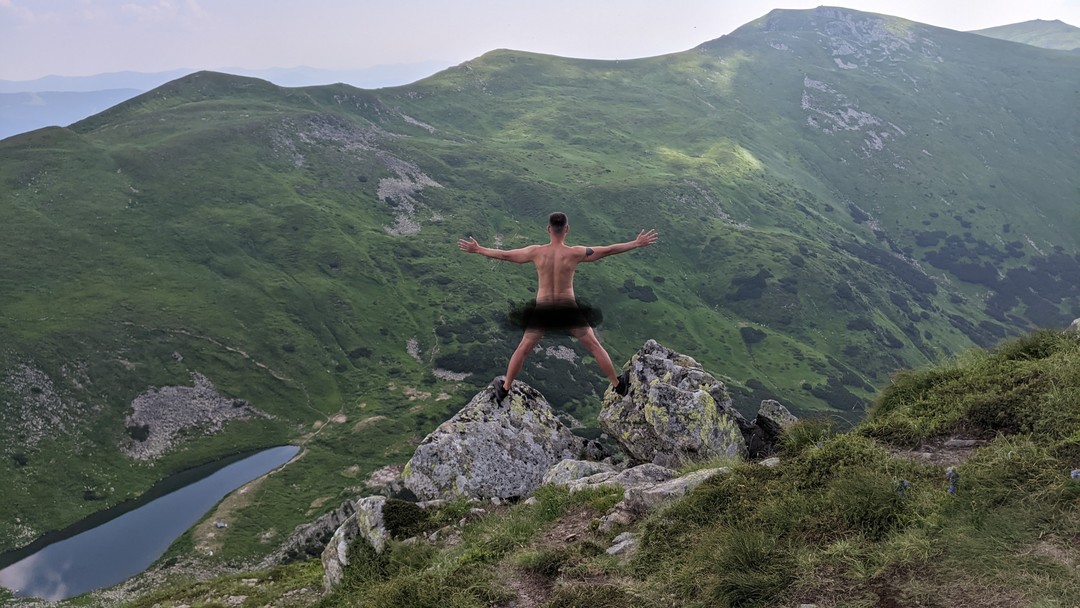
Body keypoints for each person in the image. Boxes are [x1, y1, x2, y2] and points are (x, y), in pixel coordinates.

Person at [458, 211, 658, 402]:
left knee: (523, 349)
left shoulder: (536, 252)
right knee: (595, 346)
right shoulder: (575, 253)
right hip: (568, 309)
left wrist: (478, 249)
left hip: (543, 310)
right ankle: (618, 385)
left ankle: (505, 388)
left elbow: (506, 255)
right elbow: (608, 250)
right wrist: (636, 243)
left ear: (548, 229)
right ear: (567, 229)